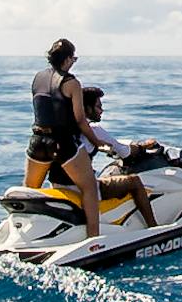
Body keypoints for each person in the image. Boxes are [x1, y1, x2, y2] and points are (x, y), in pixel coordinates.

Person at [25, 39, 157, 229]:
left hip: (37, 141)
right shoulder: (71, 82)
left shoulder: (38, 78)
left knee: (29, 191)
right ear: (68, 58)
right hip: (61, 142)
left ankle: (22, 228)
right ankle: (94, 238)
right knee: (89, 188)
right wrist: (97, 142)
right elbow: (79, 119)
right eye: (74, 58)